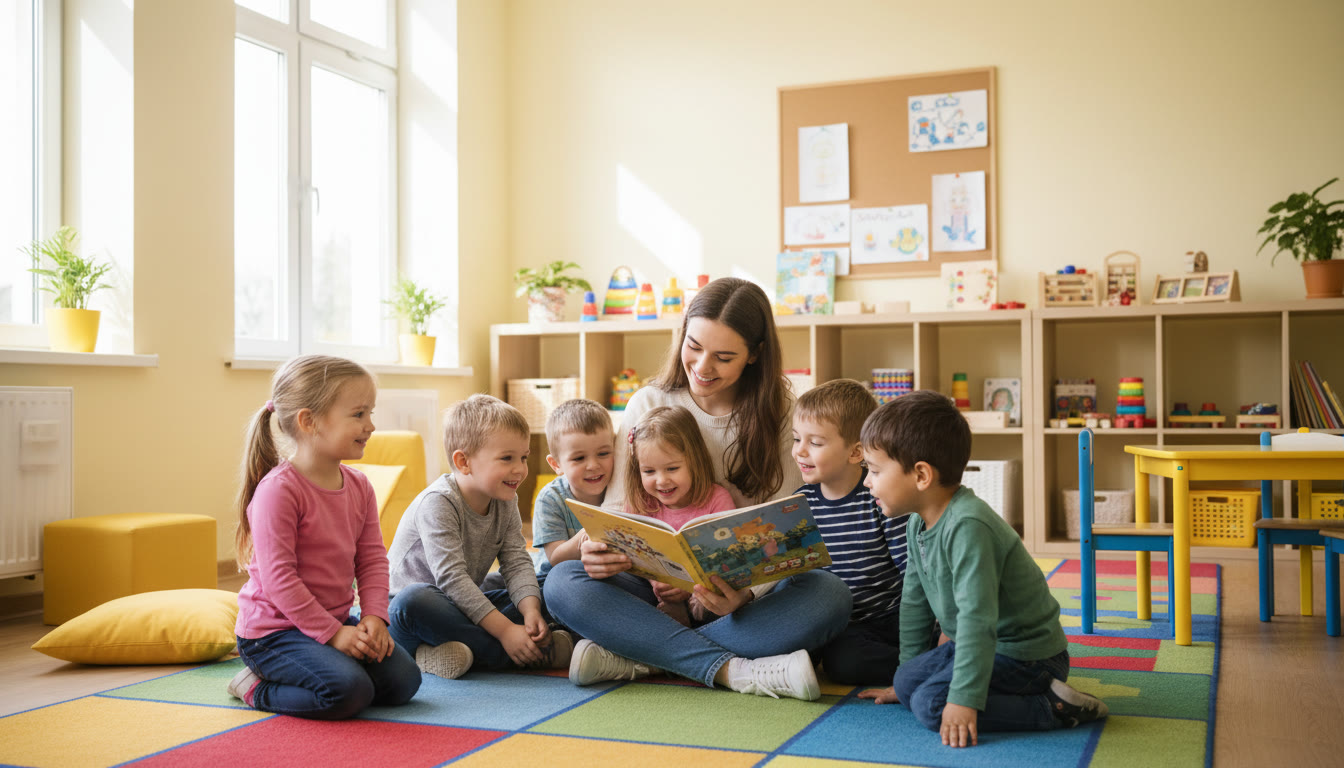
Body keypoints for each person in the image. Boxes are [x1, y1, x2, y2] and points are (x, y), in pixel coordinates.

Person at [544, 277, 852, 701]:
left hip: (739, 600)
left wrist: (741, 594)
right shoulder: (648, 403)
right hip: (654, 591)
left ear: (754, 355)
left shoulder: (781, 413)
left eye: (724, 357)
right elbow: (619, 511)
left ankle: (643, 656)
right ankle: (732, 669)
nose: (703, 367)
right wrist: (602, 553)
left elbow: (783, 533)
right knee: (563, 582)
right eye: (694, 346)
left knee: (828, 596)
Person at [856, 390, 1108, 747]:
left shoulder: (969, 526)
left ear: (921, 475)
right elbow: (914, 603)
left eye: (875, 470)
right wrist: (903, 680)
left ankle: (1050, 707)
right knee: (909, 683)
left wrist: (964, 700)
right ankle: (941, 688)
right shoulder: (917, 524)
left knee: (931, 706)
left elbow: (978, 620)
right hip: (977, 644)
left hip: (1028, 655)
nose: (867, 481)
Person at [228, 355, 421, 720]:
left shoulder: (360, 486)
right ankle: (254, 686)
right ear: (309, 421)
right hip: (273, 634)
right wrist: (334, 636)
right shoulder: (279, 492)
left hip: (332, 622)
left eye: (370, 413)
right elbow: (280, 579)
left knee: (403, 683)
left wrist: (374, 618)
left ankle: (328, 662)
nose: (371, 426)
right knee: (348, 692)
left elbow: (372, 560)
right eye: (359, 414)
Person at [387, 394, 573, 679]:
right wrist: (507, 631)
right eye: (507, 458)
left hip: (464, 607)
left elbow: (515, 560)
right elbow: (452, 580)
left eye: (523, 457)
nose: (520, 469)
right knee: (412, 600)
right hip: (414, 615)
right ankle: (526, 655)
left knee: (550, 584)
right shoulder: (438, 502)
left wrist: (530, 611)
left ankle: (454, 652)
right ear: (464, 462)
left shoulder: (504, 496)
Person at [791, 378, 909, 685]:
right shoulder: (798, 504)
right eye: (796, 439)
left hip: (892, 614)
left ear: (856, 452)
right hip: (844, 626)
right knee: (842, 663)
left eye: (815, 443)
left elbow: (914, 572)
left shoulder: (878, 497)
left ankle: (928, 667)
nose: (800, 451)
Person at [624, 405, 736, 625]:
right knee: (570, 577)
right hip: (652, 593)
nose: (661, 480)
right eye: (649, 471)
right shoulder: (638, 502)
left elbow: (729, 555)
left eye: (672, 469)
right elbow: (631, 555)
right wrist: (658, 582)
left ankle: (686, 630)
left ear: (694, 461)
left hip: (706, 594)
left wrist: (690, 587)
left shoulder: (716, 498)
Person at [529, 398, 616, 579]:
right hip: (555, 578)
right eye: (579, 458)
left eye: (603, 453)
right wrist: (590, 532)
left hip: (607, 575)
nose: (593, 465)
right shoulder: (550, 499)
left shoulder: (619, 487)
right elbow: (555, 557)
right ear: (556, 465)